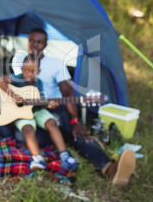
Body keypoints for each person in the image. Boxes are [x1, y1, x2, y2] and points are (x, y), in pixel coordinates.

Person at [11, 28, 136, 185]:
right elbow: (17, 85)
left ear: (45, 44)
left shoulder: (56, 64)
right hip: (28, 110)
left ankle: (109, 167)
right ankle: (60, 139)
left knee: (75, 133)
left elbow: (67, 92)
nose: (35, 45)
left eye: (39, 41)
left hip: (52, 107)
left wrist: (75, 121)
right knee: (23, 135)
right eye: (32, 41)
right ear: (28, 41)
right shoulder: (19, 59)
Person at [0, 54, 79, 171]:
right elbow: (0, 80)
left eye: (33, 71)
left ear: (38, 71)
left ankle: (64, 155)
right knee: (28, 129)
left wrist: (49, 105)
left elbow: (41, 101)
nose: (29, 74)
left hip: (38, 110)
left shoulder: (39, 83)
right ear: (21, 69)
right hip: (21, 114)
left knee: (52, 123)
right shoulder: (17, 78)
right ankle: (38, 159)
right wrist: (14, 96)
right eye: (26, 70)